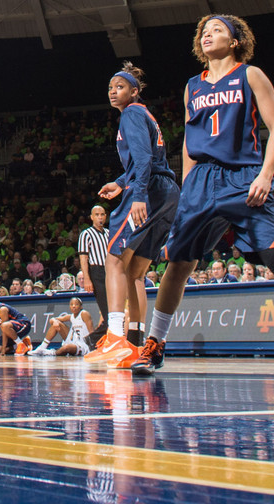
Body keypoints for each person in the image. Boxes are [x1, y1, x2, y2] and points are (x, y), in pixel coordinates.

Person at [131, 15, 274, 380]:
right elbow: (187, 144)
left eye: (217, 30)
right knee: (179, 265)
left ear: (235, 41)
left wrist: (265, 174)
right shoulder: (191, 87)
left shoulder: (251, 75)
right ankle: (155, 344)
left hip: (243, 176)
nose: (208, 34)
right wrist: (187, 187)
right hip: (201, 181)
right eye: (204, 31)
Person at [89, 63, 180, 367]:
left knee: (113, 259)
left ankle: (115, 338)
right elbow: (148, 160)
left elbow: (142, 158)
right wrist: (120, 182)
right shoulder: (145, 115)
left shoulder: (132, 113)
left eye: (120, 86)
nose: (113, 91)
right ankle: (135, 342)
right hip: (167, 192)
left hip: (150, 191)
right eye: (110, 87)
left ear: (134, 91)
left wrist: (137, 195)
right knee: (135, 273)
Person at [77, 204, 109, 348]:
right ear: (91, 217)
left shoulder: (109, 233)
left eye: (102, 214)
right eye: (97, 214)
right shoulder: (86, 234)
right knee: (109, 314)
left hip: (110, 272)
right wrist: (87, 278)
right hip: (96, 272)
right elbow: (84, 258)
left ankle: (94, 340)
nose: (100, 217)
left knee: (114, 313)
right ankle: (92, 339)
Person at [0, 291, 33, 355]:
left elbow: (5, 329)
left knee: (4, 326)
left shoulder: (2, 309)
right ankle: (23, 343)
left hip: (24, 324)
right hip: (10, 329)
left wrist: (4, 350)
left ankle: (20, 344)